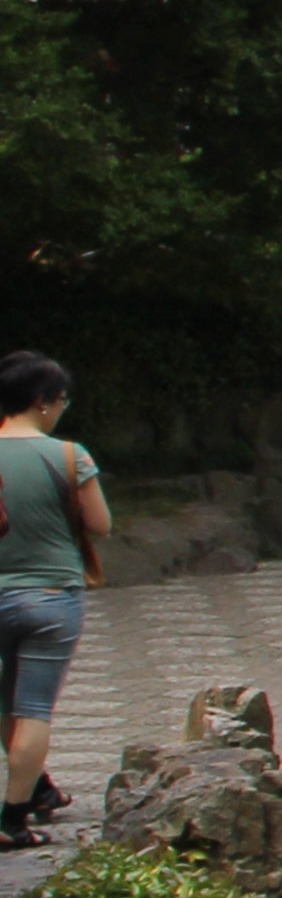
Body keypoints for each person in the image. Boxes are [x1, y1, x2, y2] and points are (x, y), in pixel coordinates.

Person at [0, 352, 109, 849]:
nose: (62, 409)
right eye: (61, 400)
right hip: (50, 597)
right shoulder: (70, 455)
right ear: (42, 402)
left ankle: (39, 790)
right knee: (35, 707)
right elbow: (101, 525)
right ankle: (12, 819)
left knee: (7, 703)